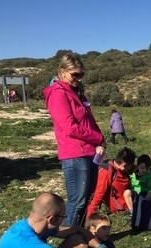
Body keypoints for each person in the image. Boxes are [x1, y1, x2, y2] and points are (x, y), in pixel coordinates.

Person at [43, 52, 106, 227]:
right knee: (77, 201)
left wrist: (100, 140)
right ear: (62, 72)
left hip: (89, 152)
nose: (78, 78)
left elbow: (89, 121)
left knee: (86, 199)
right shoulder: (58, 94)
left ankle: (78, 236)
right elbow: (70, 127)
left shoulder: (77, 93)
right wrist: (98, 137)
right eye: (75, 75)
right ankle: (68, 238)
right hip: (74, 154)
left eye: (81, 74)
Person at [86, 147, 136, 218]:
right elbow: (99, 193)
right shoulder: (107, 171)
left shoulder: (120, 167)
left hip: (131, 202)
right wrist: (90, 215)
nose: (132, 167)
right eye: (131, 165)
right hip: (123, 208)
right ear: (125, 165)